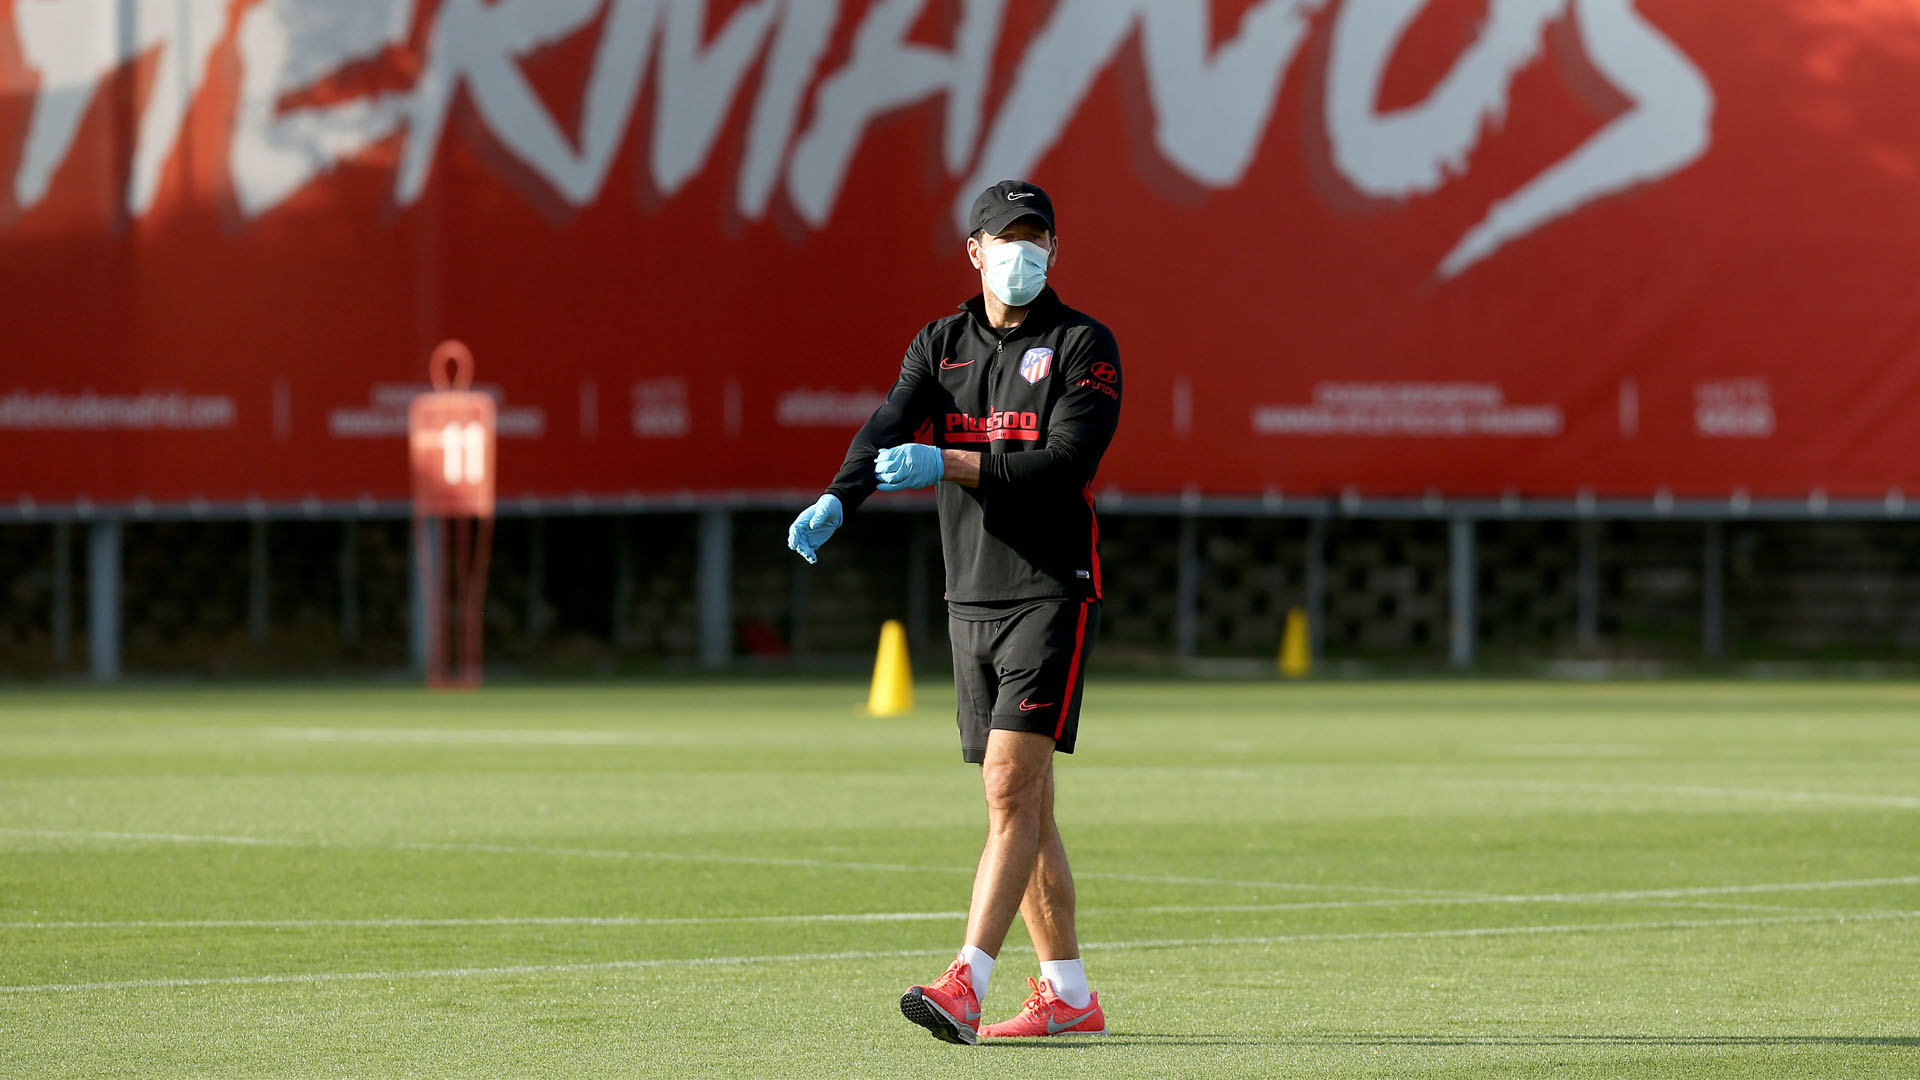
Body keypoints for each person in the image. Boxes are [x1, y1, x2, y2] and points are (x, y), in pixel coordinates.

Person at [786, 180, 1123, 1043]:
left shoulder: (1084, 343)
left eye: (1036, 236)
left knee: (1012, 787)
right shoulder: (941, 344)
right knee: (1025, 802)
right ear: (973, 250)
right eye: (1005, 237)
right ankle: (1069, 995)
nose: (1022, 252)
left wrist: (948, 465)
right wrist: (840, 497)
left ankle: (966, 981)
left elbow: (1063, 461)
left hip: (1050, 587)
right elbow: (888, 421)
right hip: (967, 594)